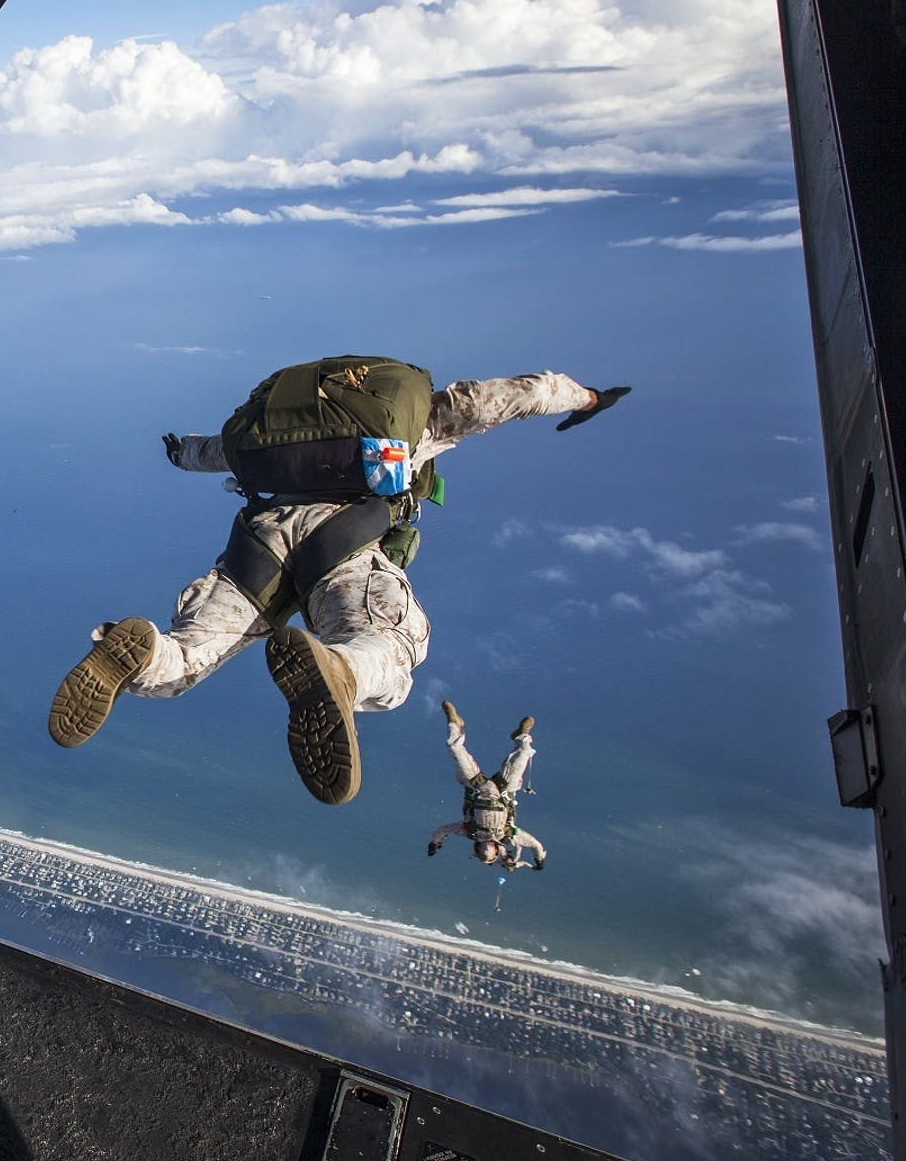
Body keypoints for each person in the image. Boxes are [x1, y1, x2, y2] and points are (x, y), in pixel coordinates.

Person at [47, 360, 627, 804]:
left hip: (261, 538)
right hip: (343, 538)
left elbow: (211, 452)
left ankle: (147, 651)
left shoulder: (277, 435)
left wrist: (178, 455)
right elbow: (522, 395)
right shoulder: (423, 419)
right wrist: (588, 398)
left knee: (186, 663)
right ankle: (344, 673)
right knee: (394, 650)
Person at [427, 701, 547, 870]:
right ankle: (523, 734)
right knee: (524, 753)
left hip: (476, 787)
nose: (486, 850)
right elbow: (535, 844)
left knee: (454, 748)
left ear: (476, 848)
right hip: (504, 789)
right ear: (497, 851)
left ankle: (454, 722)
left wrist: (434, 844)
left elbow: (442, 830)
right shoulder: (509, 834)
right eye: (489, 854)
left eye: (482, 852)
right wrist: (539, 859)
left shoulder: (467, 829)